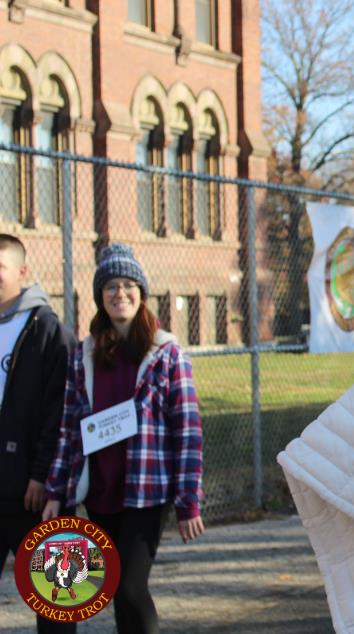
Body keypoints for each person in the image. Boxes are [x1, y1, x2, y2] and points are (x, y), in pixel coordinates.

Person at [43, 244, 205, 634]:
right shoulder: (84, 355)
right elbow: (69, 428)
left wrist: (188, 500)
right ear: (100, 296)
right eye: (111, 286)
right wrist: (55, 490)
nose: (120, 293)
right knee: (115, 586)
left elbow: (187, 430)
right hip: (101, 488)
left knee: (132, 587)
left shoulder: (166, 354)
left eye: (129, 285)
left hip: (146, 490)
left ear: (141, 293)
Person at [0, 235, 76, 634]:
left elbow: (61, 410)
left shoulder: (48, 329)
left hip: (35, 492)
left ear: (22, 272)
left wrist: (42, 474)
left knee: (57, 599)